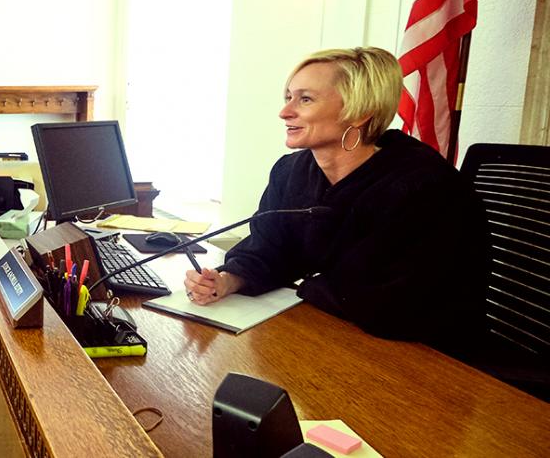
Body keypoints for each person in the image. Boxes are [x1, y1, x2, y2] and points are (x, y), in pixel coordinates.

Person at [183, 47, 487, 352]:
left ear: (358, 111)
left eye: (305, 99)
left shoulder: (424, 186)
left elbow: (394, 302)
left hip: (425, 356)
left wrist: (308, 285)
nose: (285, 112)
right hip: (333, 335)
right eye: (287, 97)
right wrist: (227, 280)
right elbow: (271, 250)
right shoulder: (291, 171)